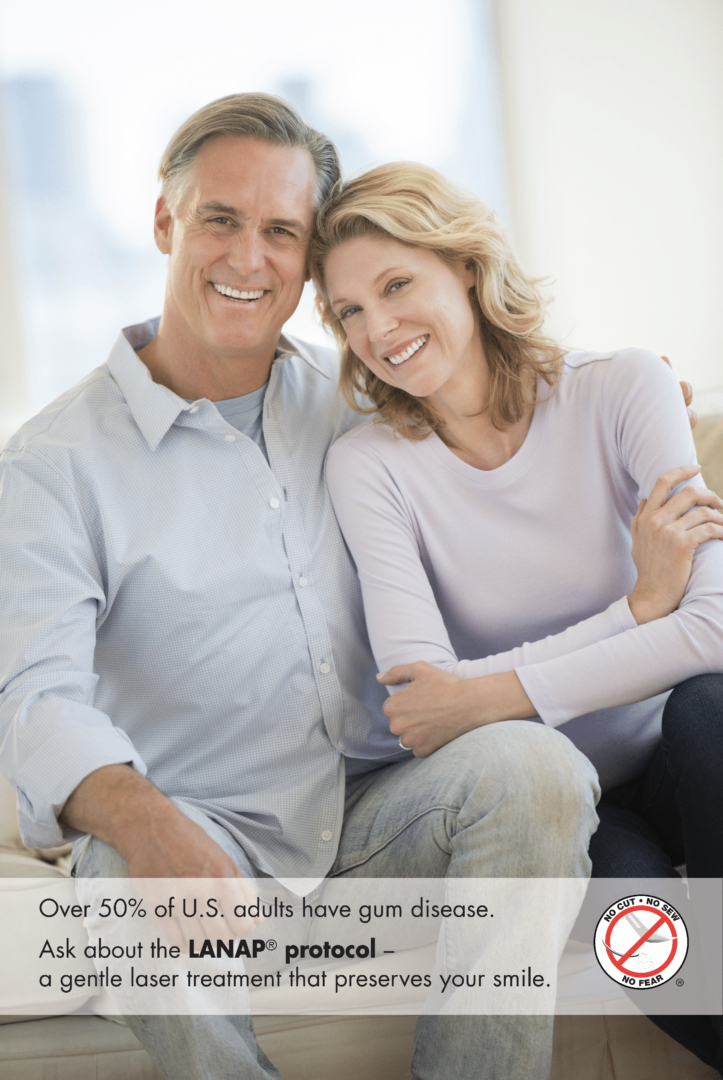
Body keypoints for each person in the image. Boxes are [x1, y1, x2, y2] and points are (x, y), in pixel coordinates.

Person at [0, 94, 703, 1080]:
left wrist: (623, 394)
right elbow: (33, 696)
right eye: (220, 219)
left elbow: (500, 394)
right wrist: (142, 816)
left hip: (386, 803)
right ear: (165, 221)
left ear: (306, 261)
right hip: (210, 821)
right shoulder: (51, 464)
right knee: (117, 882)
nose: (249, 258)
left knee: (535, 768)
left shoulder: (360, 403)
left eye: (281, 233)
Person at [310, 161, 723, 1074]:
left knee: (711, 704)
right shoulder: (370, 466)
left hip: (686, 752)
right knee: (662, 958)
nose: (377, 329)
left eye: (395, 285)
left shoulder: (622, 387)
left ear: (465, 266)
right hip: (566, 798)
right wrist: (635, 612)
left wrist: (487, 691)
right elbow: (424, 707)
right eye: (348, 312)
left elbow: (713, 628)